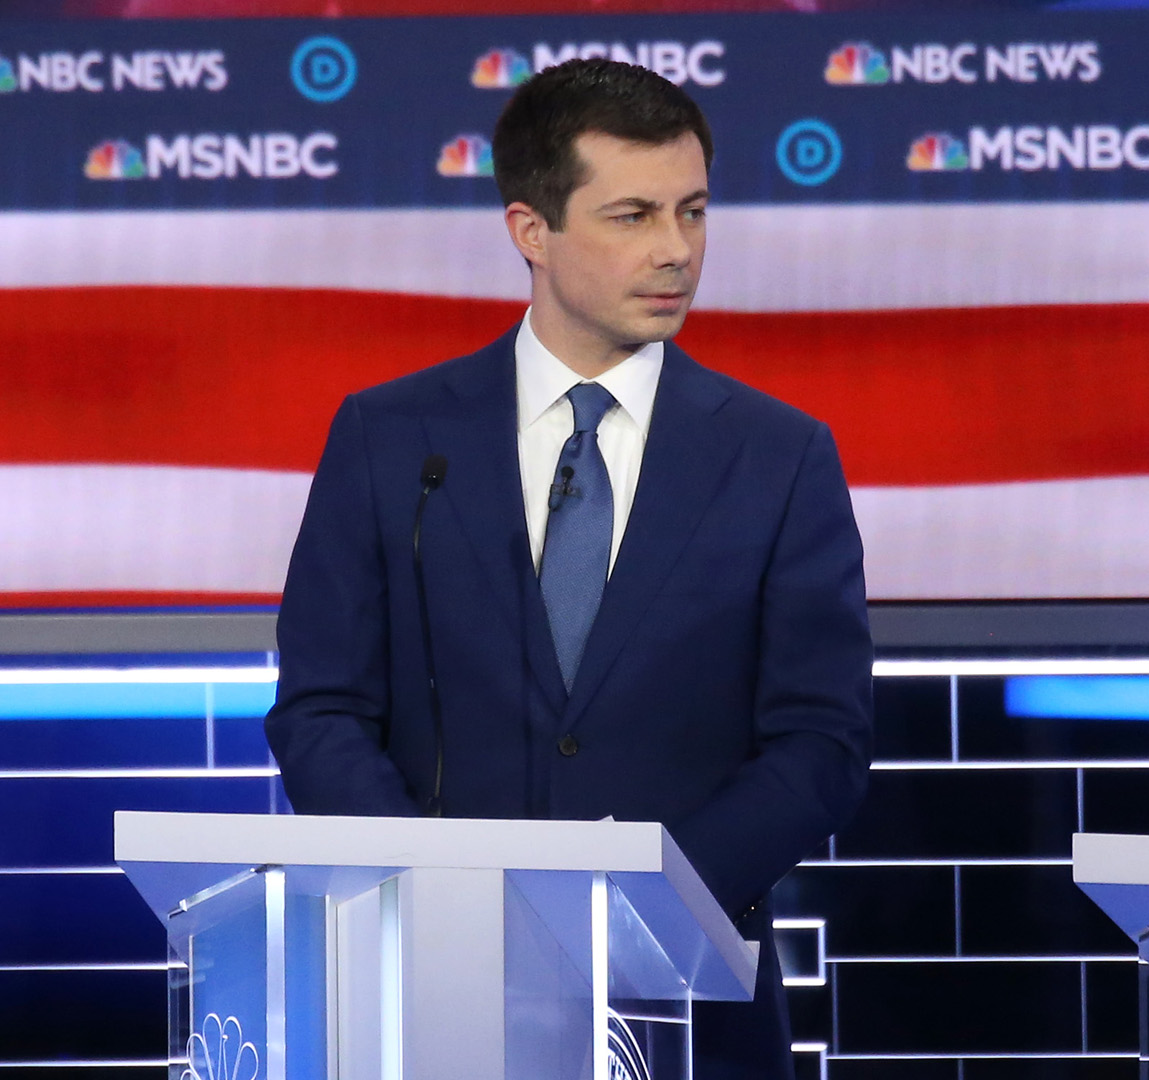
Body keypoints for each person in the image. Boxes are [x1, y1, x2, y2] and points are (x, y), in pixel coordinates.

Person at [264, 59, 873, 1080]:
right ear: (530, 231)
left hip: (690, 1009)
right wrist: (436, 892)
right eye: (632, 215)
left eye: (692, 212)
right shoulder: (389, 438)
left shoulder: (779, 456)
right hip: (430, 997)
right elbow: (320, 708)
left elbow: (821, 743)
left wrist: (648, 903)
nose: (675, 251)